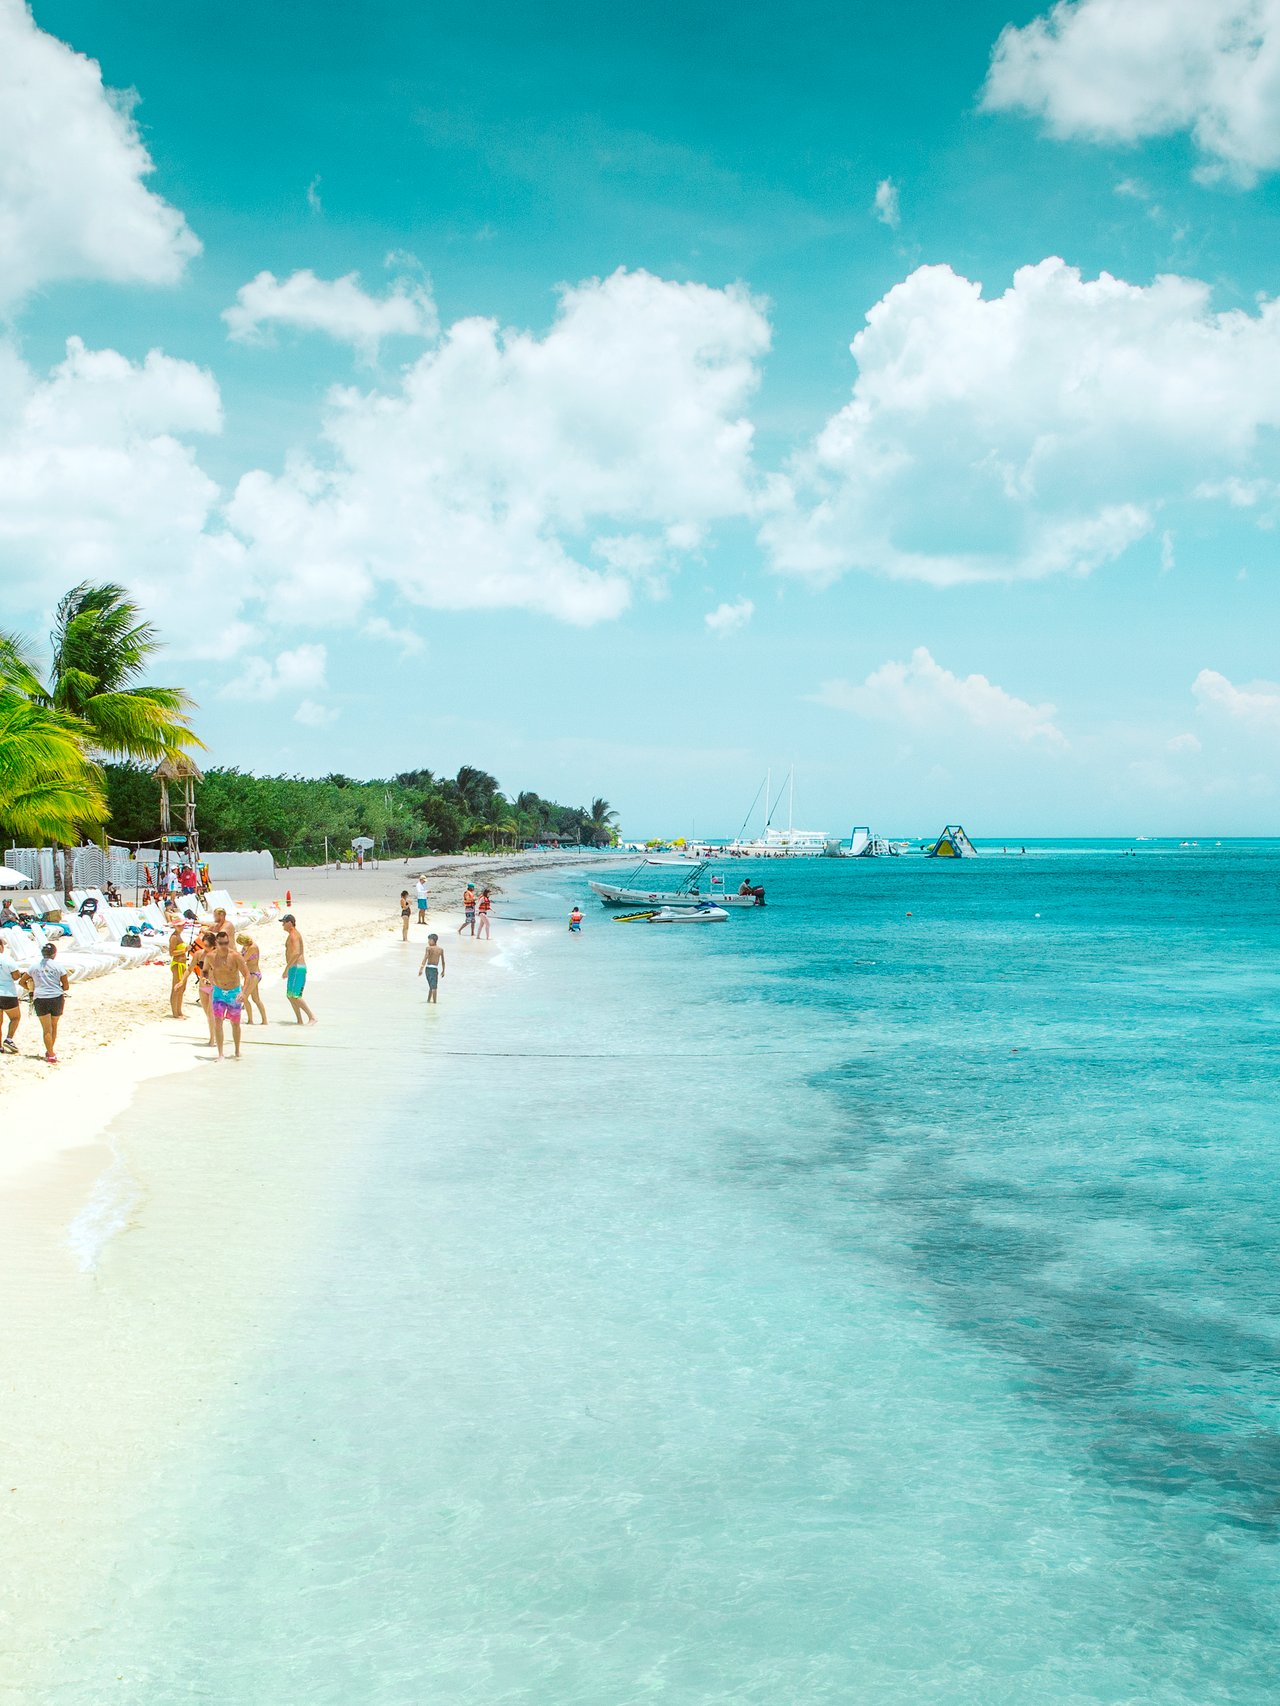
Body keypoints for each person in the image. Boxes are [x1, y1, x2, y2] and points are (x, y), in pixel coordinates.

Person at [206, 929, 249, 1060]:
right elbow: (205, 970)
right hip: (219, 992)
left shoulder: (235, 956)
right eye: (221, 943)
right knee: (218, 1021)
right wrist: (206, 979)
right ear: (216, 943)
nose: (224, 946)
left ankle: (236, 1050)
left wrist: (243, 992)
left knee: (235, 1023)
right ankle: (220, 1054)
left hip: (234, 993)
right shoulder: (210, 956)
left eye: (226, 943)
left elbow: (247, 975)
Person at [22, 941, 68, 1063]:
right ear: (54, 954)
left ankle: (50, 1052)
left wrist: (31, 989)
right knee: (54, 1025)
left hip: (40, 998)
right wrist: (56, 989)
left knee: (46, 1029)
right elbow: (66, 986)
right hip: (56, 998)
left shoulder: (34, 967)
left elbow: (22, 981)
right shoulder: (59, 966)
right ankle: (50, 1052)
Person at [280, 913, 316, 1025]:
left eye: (284, 923)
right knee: (290, 996)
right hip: (293, 968)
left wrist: (286, 968)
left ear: (290, 922)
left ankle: (312, 1017)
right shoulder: (291, 934)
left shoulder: (294, 935)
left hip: (297, 968)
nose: (282, 925)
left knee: (295, 995)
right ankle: (299, 1020)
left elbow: (296, 953)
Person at [237, 932, 267, 1025]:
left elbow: (243, 959)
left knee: (244, 997)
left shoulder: (253, 947)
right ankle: (264, 1021)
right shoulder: (245, 947)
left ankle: (250, 1020)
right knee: (256, 999)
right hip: (250, 974)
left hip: (255, 974)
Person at [168, 920, 191, 1019]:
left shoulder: (179, 936)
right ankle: (175, 1013)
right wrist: (184, 950)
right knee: (176, 988)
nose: (181, 927)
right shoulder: (174, 937)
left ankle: (179, 1011)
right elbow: (171, 952)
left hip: (182, 963)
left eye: (182, 925)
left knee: (182, 988)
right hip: (177, 964)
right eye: (179, 925)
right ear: (175, 926)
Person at [0, 959, 21, 1053]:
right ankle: (9, 1039)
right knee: (15, 1018)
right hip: (7, 993)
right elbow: (16, 976)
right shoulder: (7, 959)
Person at [418, 933, 445, 1003]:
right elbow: (443, 961)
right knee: (434, 986)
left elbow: (425, 958)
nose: (428, 942)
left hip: (428, 969)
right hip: (434, 969)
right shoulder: (440, 949)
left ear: (433, 940)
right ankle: (434, 1003)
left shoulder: (428, 948)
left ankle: (430, 1001)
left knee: (432, 986)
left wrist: (421, 969)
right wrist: (443, 971)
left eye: (429, 940)